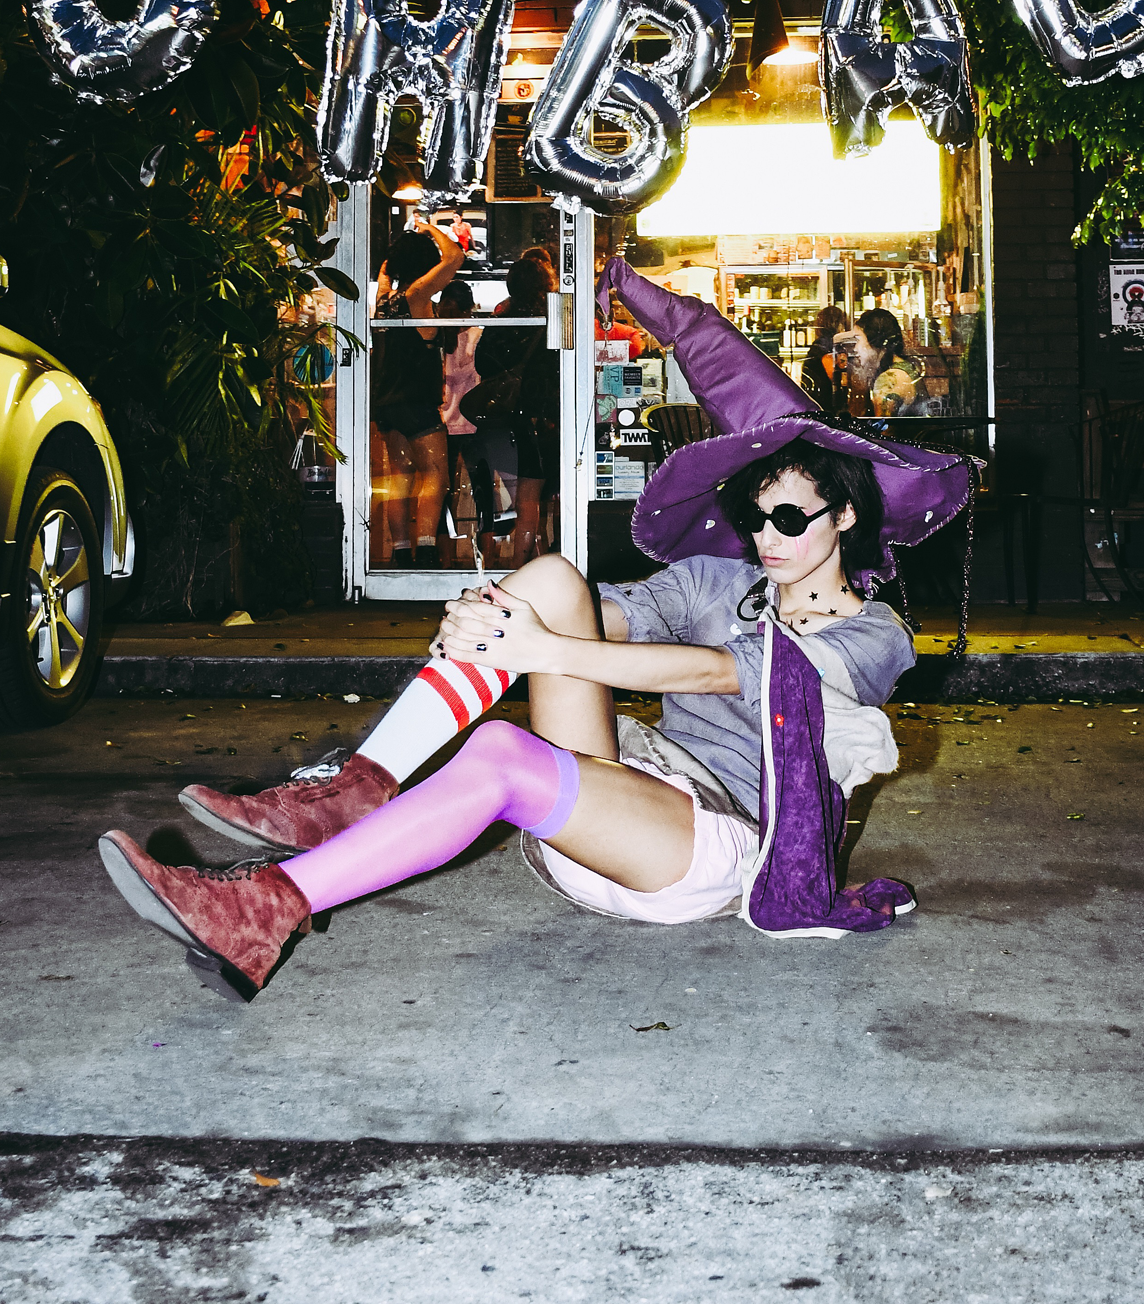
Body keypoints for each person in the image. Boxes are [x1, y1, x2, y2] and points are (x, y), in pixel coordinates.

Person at [97, 258, 973, 995]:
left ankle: (265, 910)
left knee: (500, 750)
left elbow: (726, 671)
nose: (766, 539)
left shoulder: (877, 634)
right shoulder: (719, 579)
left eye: (789, 519)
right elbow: (597, 620)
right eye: (755, 517)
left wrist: (541, 648)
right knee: (551, 577)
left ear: (844, 518)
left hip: (718, 850)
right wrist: (500, 622)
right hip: (623, 804)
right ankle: (363, 782)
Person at [370, 218, 464, 567]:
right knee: (436, 473)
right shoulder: (417, 296)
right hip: (416, 401)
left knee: (400, 476)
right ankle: (425, 549)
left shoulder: (384, 301)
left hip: (386, 402)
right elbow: (454, 258)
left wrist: (391, 262)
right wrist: (429, 228)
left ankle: (400, 551)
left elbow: (384, 275)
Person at [473, 258, 559, 566]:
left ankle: (510, 563)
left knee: (508, 497)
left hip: (500, 419)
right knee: (531, 499)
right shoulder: (551, 320)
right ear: (545, 285)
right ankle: (524, 566)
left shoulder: (501, 320)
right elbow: (558, 372)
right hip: (538, 418)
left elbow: (481, 363)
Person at [436, 278, 493, 567]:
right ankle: (489, 558)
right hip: (475, 423)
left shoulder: (434, 337)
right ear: (470, 308)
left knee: (442, 494)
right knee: (484, 493)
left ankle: (444, 558)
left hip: (441, 424)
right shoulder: (477, 336)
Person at [801, 305, 849, 410]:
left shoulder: (819, 344)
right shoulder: (827, 344)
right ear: (839, 324)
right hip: (826, 403)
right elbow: (835, 376)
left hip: (816, 401)